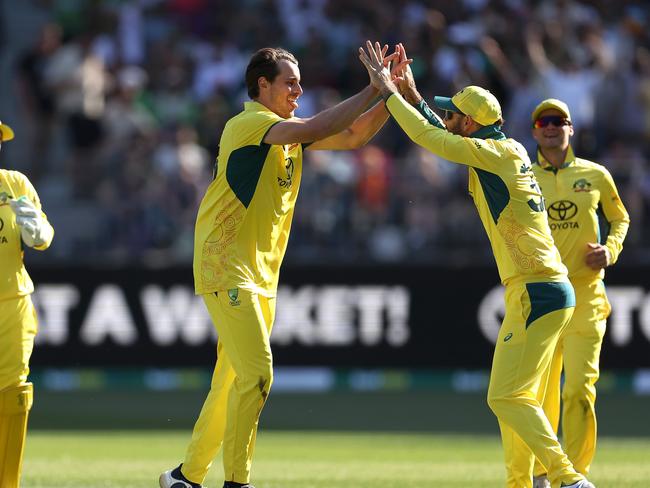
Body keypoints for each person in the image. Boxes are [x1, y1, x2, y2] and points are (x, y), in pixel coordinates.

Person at [159, 45, 409, 488]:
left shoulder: (284, 131)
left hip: (261, 273)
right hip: (227, 265)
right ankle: (238, 482)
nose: (299, 89)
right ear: (262, 86)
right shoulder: (250, 123)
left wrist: (395, 95)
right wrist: (375, 88)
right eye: (290, 82)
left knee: (229, 383)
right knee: (258, 374)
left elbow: (352, 137)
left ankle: (185, 477)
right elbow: (320, 124)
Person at [358, 41, 595, 488]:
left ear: (469, 123)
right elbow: (442, 132)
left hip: (535, 289)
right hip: (543, 288)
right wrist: (412, 96)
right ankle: (528, 482)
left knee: (505, 396)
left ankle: (568, 478)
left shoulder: (496, 155)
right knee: (521, 399)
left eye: (453, 114)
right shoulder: (506, 150)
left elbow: (432, 138)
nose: (447, 119)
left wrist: (389, 91)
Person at [528, 99, 629, 488]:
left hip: (587, 295)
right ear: (535, 130)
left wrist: (612, 250)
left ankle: (574, 477)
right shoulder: (522, 174)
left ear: (571, 128)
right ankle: (542, 472)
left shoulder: (596, 175)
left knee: (579, 392)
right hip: (544, 296)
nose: (551, 127)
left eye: (558, 121)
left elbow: (620, 218)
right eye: (543, 121)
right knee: (541, 393)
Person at [0, 121, 55, 487]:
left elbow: (44, 237)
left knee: (14, 395)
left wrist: (37, 229)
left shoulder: (14, 183)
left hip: (12, 303)